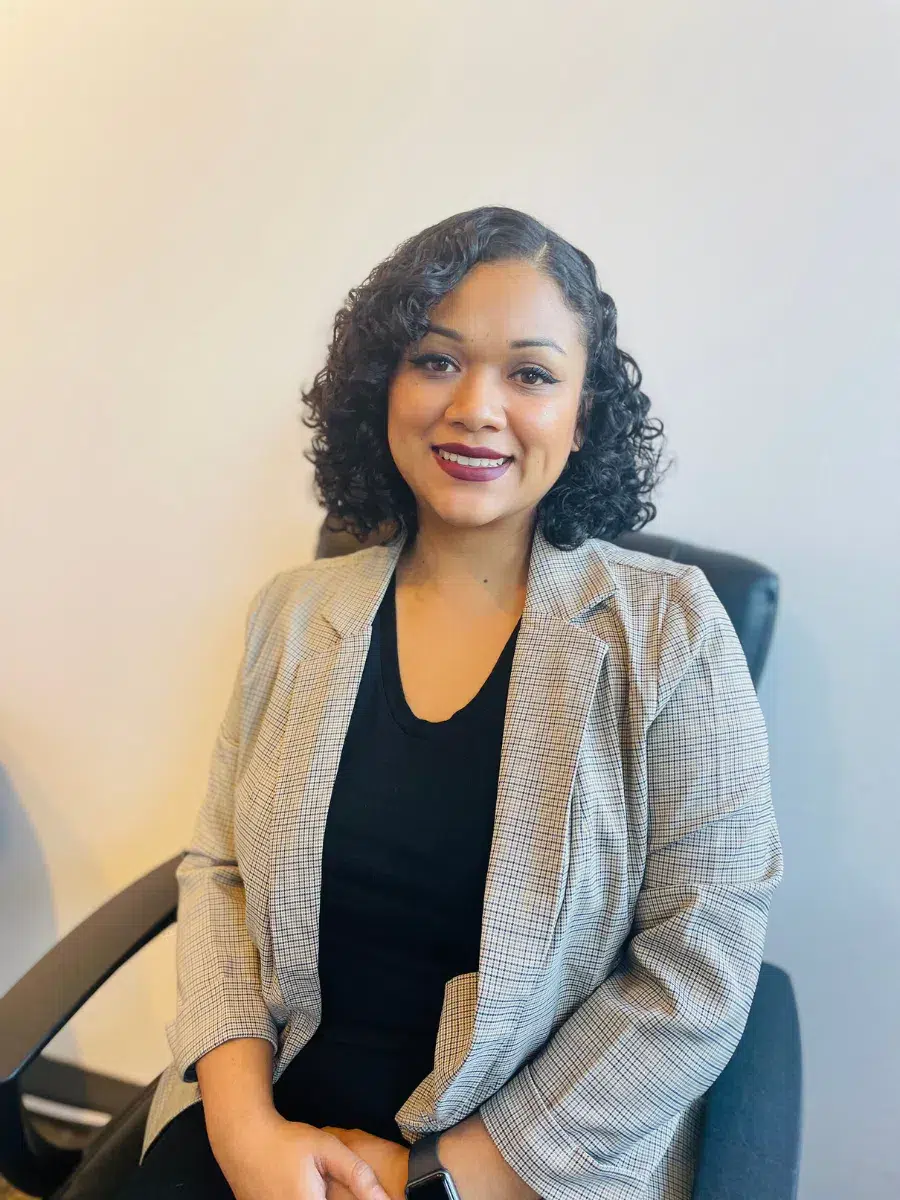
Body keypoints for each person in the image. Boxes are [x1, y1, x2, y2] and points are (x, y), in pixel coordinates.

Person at [121, 206, 783, 1200]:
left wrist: (443, 1178)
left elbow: (699, 967)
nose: (477, 406)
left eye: (529, 373)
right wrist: (247, 1128)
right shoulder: (296, 614)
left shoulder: (666, 632)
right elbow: (219, 875)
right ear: (380, 386)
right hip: (274, 1102)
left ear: (582, 412)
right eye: (435, 361)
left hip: (525, 1149)